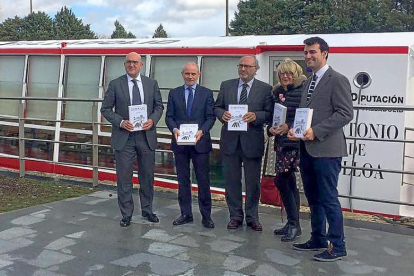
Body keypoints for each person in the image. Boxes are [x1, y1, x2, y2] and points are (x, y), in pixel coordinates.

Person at [288, 37, 353, 261]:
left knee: (328, 197)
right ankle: (318, 237)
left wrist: (316, 131)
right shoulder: (308, 81)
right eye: (306, 52)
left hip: (327, 149)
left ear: (325, 53)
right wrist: (294, 130)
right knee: (313, 197)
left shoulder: (338, 80)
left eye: (312, 52)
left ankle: (338, 246)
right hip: (307, 149)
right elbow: (305, 114)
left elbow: (345, 113)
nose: (308, 56)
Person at [101, 52, 164, 227]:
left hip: (146, 136)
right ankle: (126, 213)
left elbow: (159, 106)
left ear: (141, 65)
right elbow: (105, 109)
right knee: (124, 177)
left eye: (135, 62)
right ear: (124, 64)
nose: (132, 65)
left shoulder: (151, 84)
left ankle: (147, 209)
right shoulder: (115, 84)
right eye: (128, 62)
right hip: (125, 137)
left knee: (147, 176)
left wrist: (153, 119)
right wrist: (120, 122)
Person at [214, 55, 273, 231]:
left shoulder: (265, 89)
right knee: (232, 181)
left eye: (247, 66)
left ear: (256, 69)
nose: (243, 69)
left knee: (252, 182)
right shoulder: (226, 85)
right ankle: (235, 216)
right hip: (230, 141)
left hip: (252, 141)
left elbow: (270, 114)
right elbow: (217, 107)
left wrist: (257, 116)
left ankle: (252, 216)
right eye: (241, 66)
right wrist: (221, 114)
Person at [165, 62, 216, 228]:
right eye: (187, 73)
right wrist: (174, 129)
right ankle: (185, 213)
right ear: (182, 74)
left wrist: (202, 131)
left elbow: (210, 117)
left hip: (200, 143)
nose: (190, 77)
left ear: (198, 74)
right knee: (183, 180)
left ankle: (206, 216)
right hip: (180, 143)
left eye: (193, 74)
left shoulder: (207, 93)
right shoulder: (174, 93)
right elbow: (169, 117)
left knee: (203, 180)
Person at [268, 58, 306, 242]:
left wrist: (288, 126)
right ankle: (293, 223)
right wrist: (271, 128)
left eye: (289, 73)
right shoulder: (276, 92)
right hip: (281, 142)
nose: (285, 76)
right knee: (288, 182)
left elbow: (304, 117)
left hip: (294, 142)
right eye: (282, 73)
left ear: (296, 74)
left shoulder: (302, 91)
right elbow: (271, 116)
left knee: (282, 180)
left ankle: (294, 224)